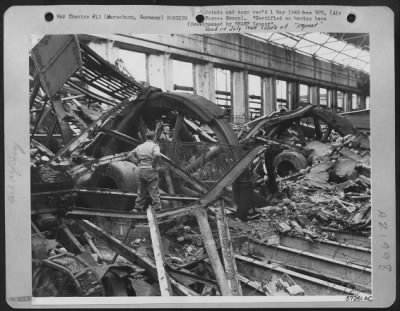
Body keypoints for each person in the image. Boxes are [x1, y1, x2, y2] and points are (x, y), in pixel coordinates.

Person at [128, 131, 162, 212]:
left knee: (141, 190)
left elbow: (129, 155)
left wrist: (137, 162)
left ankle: (137, 208)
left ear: (146, 138)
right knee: (154, 189)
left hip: (141, 170)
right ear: (154, 138)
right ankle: (156, 208)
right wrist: (153, 164)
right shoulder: (155, 146)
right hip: (150, 170)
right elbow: (157, 155)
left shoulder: (140, 146)